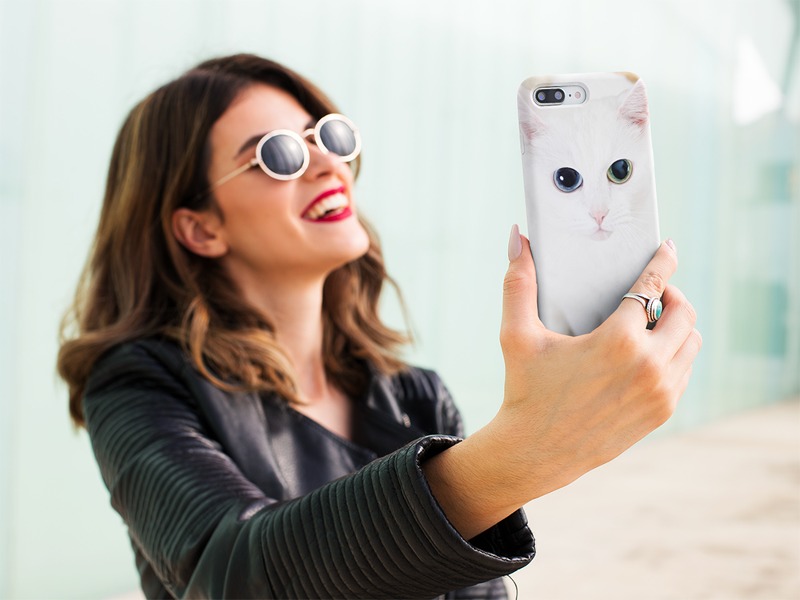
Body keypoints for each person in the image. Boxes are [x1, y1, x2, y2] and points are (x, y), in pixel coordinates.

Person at [57, 53, 701, 599]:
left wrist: (523, 451)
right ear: (200, 228)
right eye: (279, 155)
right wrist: (522, 451)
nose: (326, 165)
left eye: (328, 137)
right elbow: (232, 572)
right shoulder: (137, 385)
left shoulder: (415, 397)